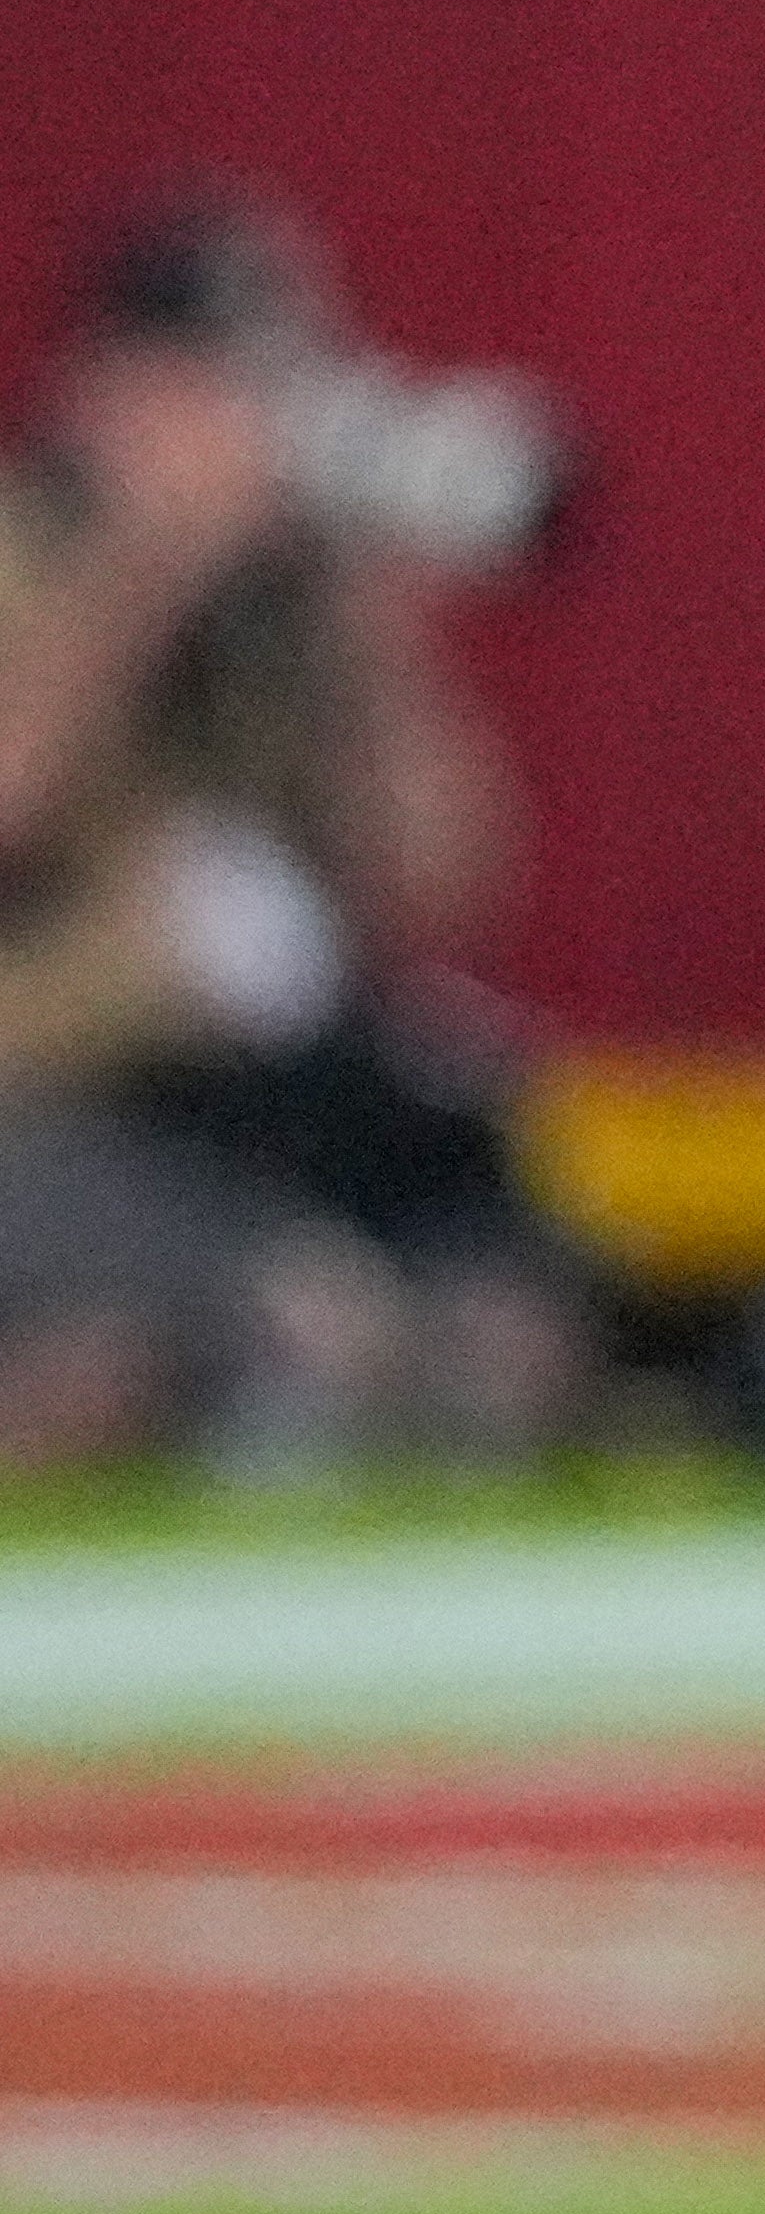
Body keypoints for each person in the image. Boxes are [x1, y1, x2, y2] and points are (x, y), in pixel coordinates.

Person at [0, 193, 587, 1468]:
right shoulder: (28, 553)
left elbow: (446, 875)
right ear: (106, 390)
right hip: (61, 1081)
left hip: (261, 1085)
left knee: (501, 1322)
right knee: (246, 1341)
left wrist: (371, 608)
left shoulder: (293, 596)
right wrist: (145, 564)